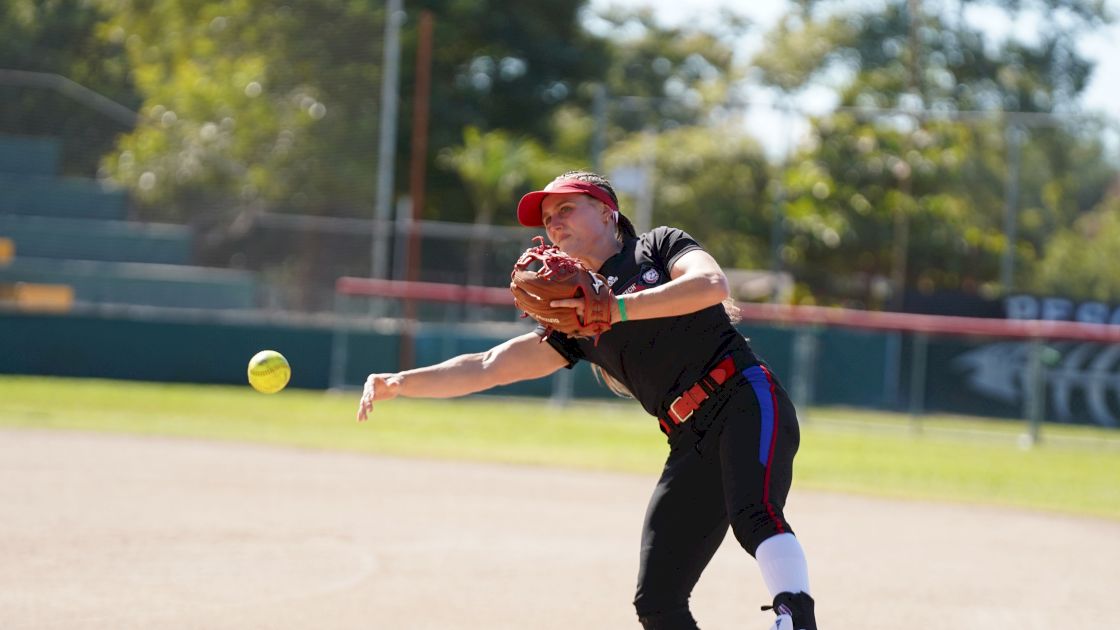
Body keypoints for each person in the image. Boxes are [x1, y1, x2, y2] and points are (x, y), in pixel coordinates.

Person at [356, 170, 818, 630]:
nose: (553, 224)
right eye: (547, 219)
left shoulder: (655, 247)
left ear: (605, 211)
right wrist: (401, 381)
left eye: (565, 209)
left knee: (754, 514)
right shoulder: (574, 320)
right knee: (658, 602)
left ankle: (795, 619)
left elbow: (711, 284)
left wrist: (614, 308)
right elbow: (489, 365)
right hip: (687, 440)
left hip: (743, 395)